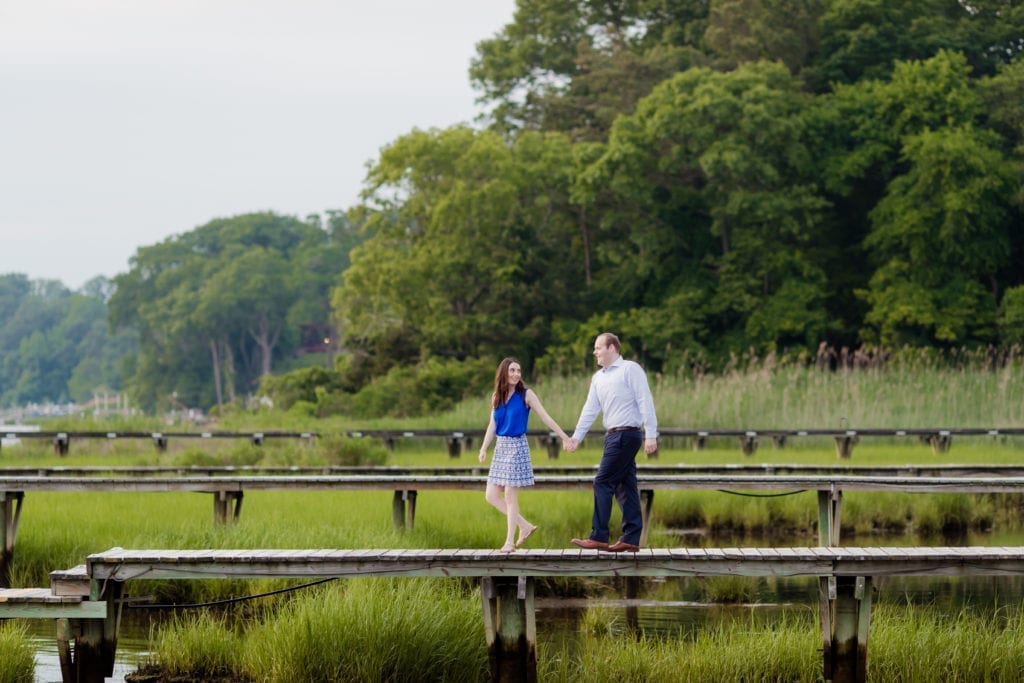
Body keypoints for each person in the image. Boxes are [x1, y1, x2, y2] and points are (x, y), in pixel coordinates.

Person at [565, 332, 658, 552]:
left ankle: (598, 536)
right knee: (625, 485)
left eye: (598, 347)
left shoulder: (630, 369)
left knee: (602, 481)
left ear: (612, 348)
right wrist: (576, 437)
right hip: (612, 436)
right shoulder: (598, 378)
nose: (594, 352)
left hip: (628, 434)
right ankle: (631, 538)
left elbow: (645, 399)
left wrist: (651, 434)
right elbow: (590, 409)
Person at [479, 357, 571, 552]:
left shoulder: (526, 395)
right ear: (504, 372)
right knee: (491, 495)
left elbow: (545, 417)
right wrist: (483, 447)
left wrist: (564, 436)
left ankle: (509, 542)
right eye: (512, 370)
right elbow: (492, 424)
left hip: (517, 448)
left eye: (518, 371)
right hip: (500, 448)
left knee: (511, 496)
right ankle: (525, 525)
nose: (516, 374)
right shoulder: (496, 396)